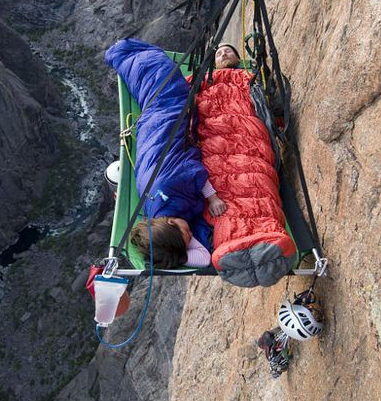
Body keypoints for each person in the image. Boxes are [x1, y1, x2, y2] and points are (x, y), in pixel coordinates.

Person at [105, 37, 226, 269]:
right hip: (156, 129)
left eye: (186, 233)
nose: (191, 235)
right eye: (189, 239)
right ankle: (122, 55)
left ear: (171, 222)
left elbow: (193, 172)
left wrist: (213, 197)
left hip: (163, 118)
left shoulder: (166, 188)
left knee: (164, 77)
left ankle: (123, 52)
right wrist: (179, 253)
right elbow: (203, 258)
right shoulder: (155, 223)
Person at [192, 41, 297, 286]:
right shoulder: (200, 83)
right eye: (218, 53)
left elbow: (275, 102)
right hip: (215, 146)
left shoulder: (249, 76)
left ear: (238, 57)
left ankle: (265, 237)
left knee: (256, 182)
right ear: (213, 63)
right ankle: (233, 242)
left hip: (249, 139)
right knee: (226, 197)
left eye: (227, 50)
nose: (223, 53)